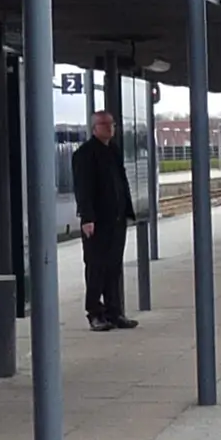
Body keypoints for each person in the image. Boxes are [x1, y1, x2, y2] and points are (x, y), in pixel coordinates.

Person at [72, 107, 137, 330]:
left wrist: (128, 211)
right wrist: (87, 218)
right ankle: (95, 312)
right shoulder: (84, 154)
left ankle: (114, 311)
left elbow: (121, 183)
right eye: (105, 125)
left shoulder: (114, 151)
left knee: (113, 267)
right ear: (94, 128)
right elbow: (83, 189)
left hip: (116, 220)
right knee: (96, 267)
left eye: (112, 124)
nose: (110, 128)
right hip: (97, 223)